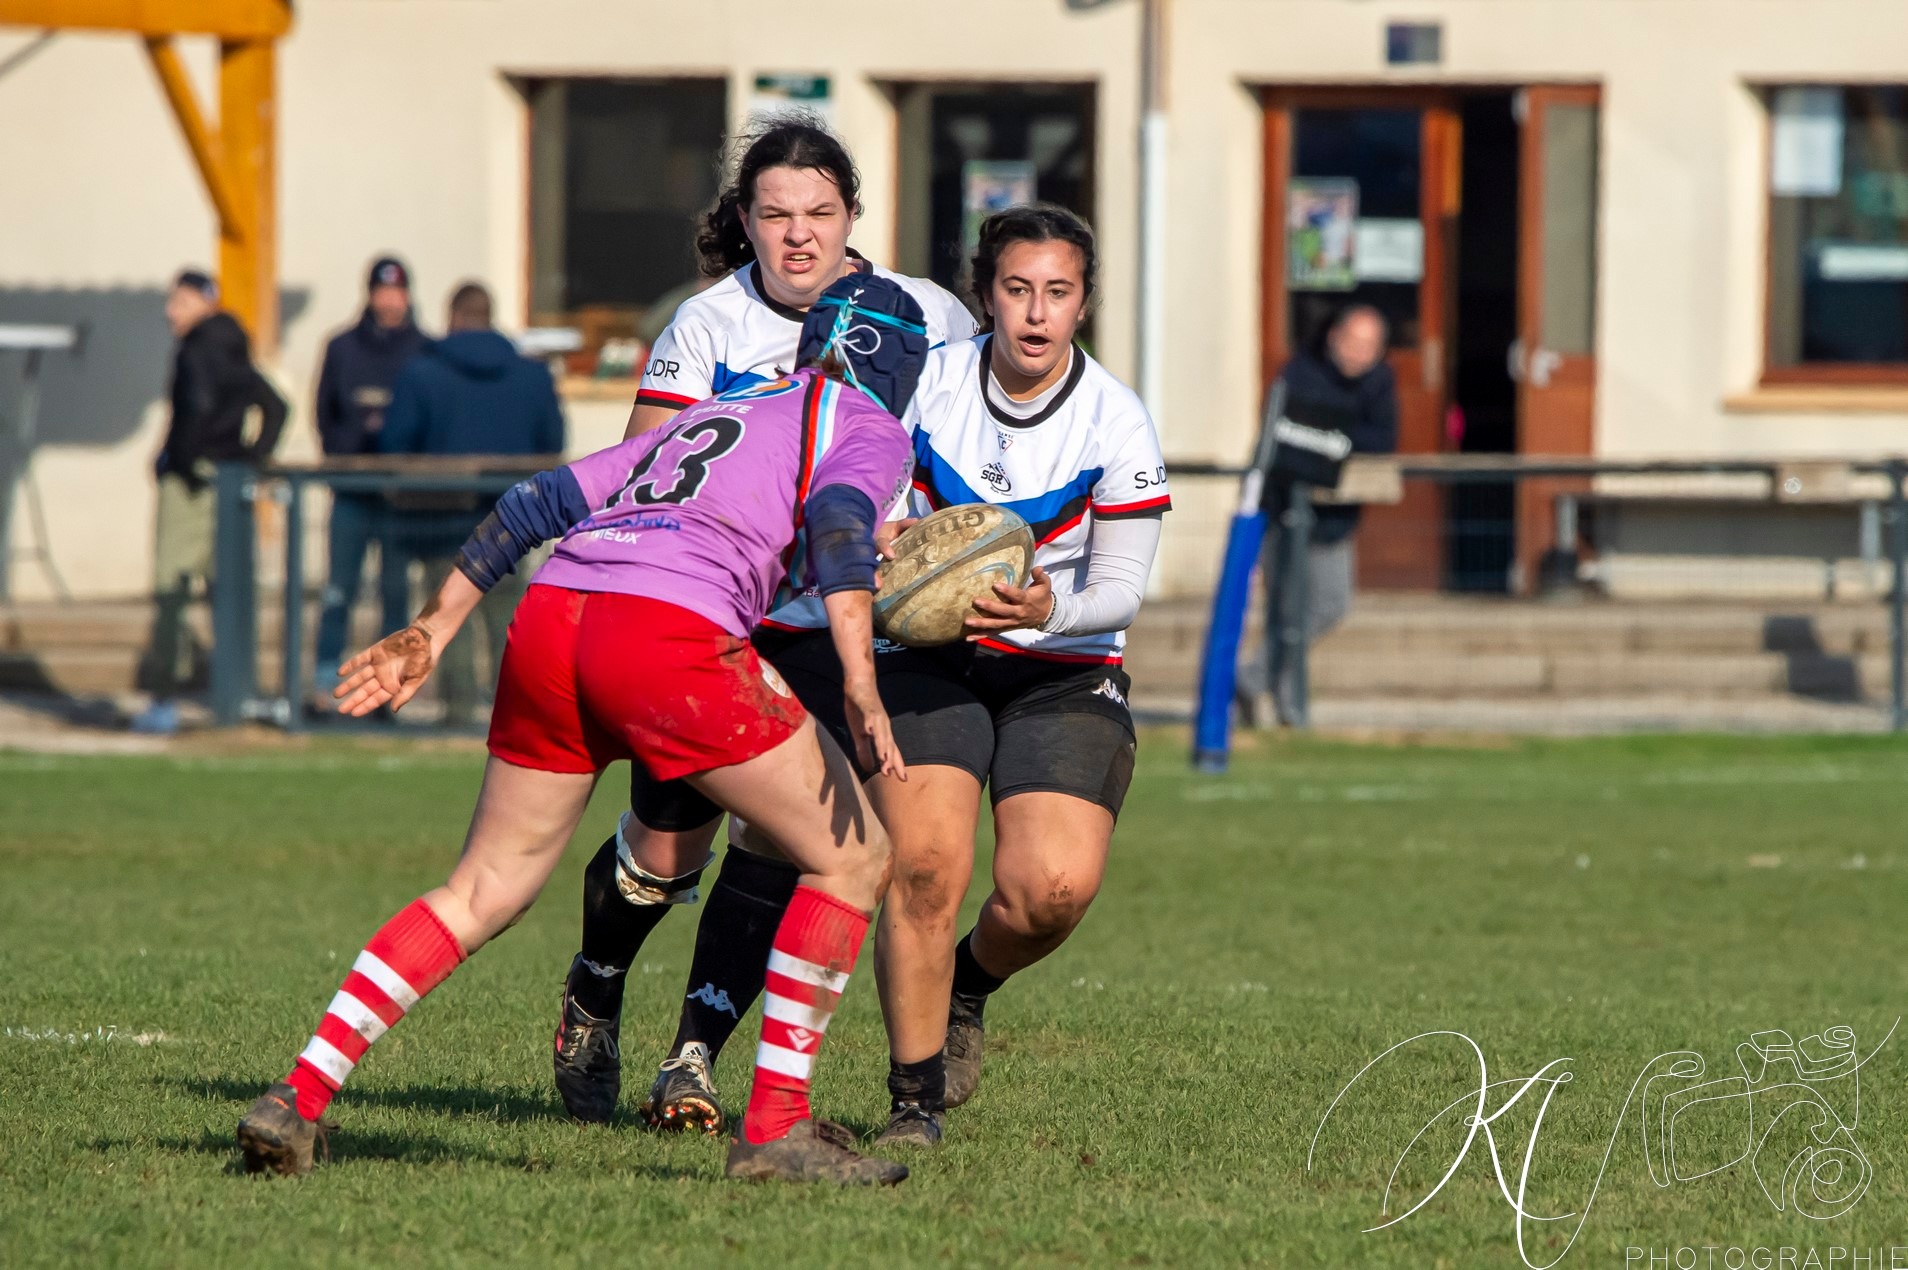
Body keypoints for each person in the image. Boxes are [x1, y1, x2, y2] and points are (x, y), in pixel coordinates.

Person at [235, 274, 928, 1187]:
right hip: (666, 635)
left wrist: (432, 629)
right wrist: (862, 675)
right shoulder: (867, 425)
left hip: (556, 611)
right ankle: (775, 1131)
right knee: (854, 856)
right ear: (905, 370)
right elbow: (840, 525)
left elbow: (534, 504)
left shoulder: (720, 409)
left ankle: (298, 1098)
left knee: (482, 887)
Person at [549, 115, 976, 1130]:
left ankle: (694, 1056)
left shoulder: (925, 316)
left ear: (853, 217)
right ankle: (596, 984)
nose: (799, 236)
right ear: (744, 220)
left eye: (821, 214)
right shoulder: (710, 325)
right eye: (776, 215)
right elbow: (643, 470)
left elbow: (963, 445)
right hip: (715, 617)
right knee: (664, 854)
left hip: (844, 624)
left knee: (800, 834)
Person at [377, 281, 565, 725]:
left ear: (452, 317)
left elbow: (394, 443)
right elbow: (553, 442)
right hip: (515, 522)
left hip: (440, 514)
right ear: (490, 315)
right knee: (508, 618)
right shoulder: (532, 375)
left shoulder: (421, 372)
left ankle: (459, 712)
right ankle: (512, 715)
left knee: (448, 616)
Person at [133, 269, 287, 735]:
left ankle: (164, 698)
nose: (170, 311)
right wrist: (248, 459)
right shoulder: (235, 345)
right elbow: (276, 408)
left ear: (203, 301)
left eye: (178, 301)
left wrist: (178, 459)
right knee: (228, 591)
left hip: (192, 486)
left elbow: (195, 410)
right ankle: (239, 692)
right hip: (227, 482)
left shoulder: (196, 347)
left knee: (171, 591)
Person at [1244, 304, 1398, 727]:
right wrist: (1337, 438)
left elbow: (1381, 440)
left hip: (1334, 520)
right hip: (1283, 513)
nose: (1357, 353)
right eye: (1352, 341)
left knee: (1330, 605)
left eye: (1369, 346)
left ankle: (1255, 678)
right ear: (1334, 337)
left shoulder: (1381, 382)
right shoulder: (1299, 373)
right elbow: (1283, 433)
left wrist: (1330, 434)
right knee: (1286, 613)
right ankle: (1290, 707)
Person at [310, 256, 431, 704]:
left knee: (396, 592)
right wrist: (355, 442)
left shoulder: (423, 349)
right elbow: (325, 414)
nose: (389, 300)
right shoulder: (342, 348)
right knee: (340, 588)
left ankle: (391, 683)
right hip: (352, 491)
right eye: (382, 291)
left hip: (400, 496)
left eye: (397, 291)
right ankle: (326, 679)